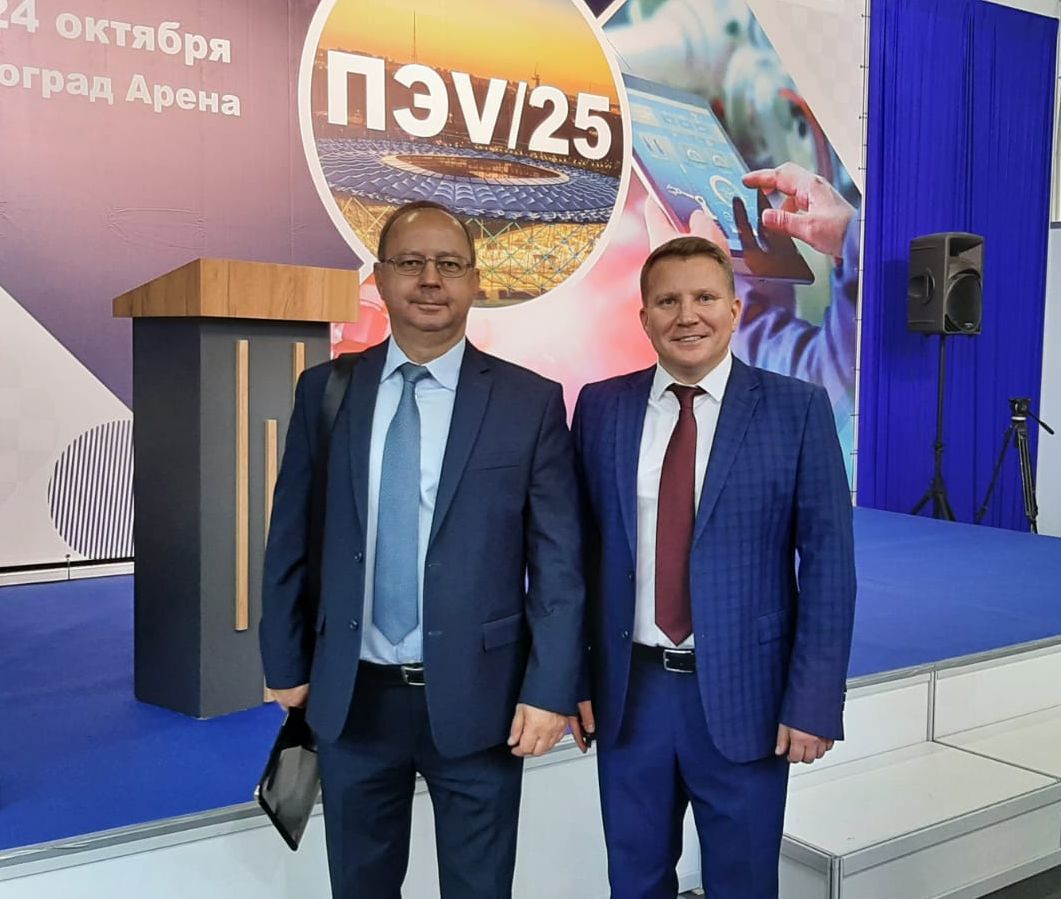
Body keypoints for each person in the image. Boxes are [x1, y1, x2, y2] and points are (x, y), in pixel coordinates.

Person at [260, 200, 584, 899]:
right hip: (353, 697)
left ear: (475, 281)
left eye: (449, 264)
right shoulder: (326, 391)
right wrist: (284, 660)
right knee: (360, 885)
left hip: (481, 699)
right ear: (379, 277)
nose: (430, 279)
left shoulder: (528, 401)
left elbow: (558, 562)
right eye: (410, 262)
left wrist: (551, 687)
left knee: (479, 886)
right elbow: (290, 534)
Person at [570, 234, 856, 897]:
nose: (686, 315)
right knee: (634, 879)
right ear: (644, 316)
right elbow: (577, 555)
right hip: (629, 693)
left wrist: (813, 701)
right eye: (667, 301)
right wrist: (571, 677)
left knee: (743, 881)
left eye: (703, 297)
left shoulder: (796, 409)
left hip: (746, 695)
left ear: (733, 309)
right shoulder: (601, 408)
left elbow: (828, 568)